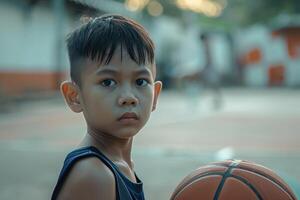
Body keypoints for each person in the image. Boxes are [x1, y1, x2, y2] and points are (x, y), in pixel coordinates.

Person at [51, 14, 162, 200]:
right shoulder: (94, 174)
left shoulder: (119, 166)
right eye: (108, 82)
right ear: (74, 96)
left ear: (155, 95)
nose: (128, 97)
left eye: (141, 81)